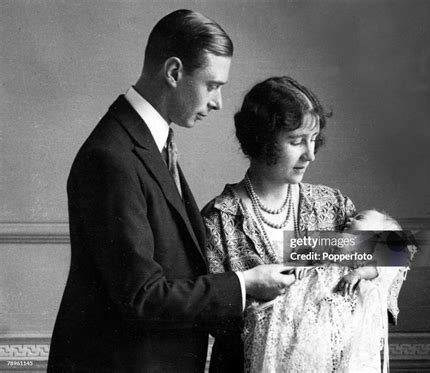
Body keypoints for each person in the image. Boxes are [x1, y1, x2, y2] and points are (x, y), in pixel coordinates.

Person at [48, 10, 294, 373]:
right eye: (212, 85)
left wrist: (367, 254)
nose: (218, 103)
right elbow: (142, 297)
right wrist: (244, 285)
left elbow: (390, 250)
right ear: (174, 72)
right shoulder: (111, 157)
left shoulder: (150, 145)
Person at [202, 77, 411, 372]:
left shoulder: (333, 205)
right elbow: (213, 319)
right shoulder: (220, 220)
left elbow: (396, 255)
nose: (310, 155)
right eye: (297, 141)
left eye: (313, 140)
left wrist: (364, 274)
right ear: (261, 139)